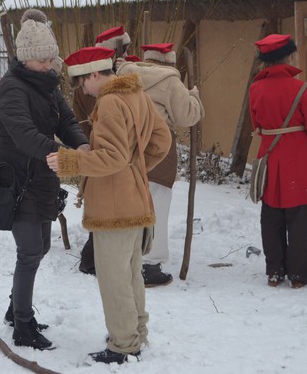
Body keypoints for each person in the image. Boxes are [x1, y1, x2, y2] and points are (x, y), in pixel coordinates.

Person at [47, 46, 171, 364]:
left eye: (81, 82)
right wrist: (135, 168)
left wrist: (69, 160)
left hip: (114, 206)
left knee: (115, 278)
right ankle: (135, 332)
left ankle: (123, 345)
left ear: (94, 74)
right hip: (134, 199)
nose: (81, 90)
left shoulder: (111, 102)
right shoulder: (137, 94)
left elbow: (113, 156)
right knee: (130, 274)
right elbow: (162, 141)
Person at [0, 8, 88, 351]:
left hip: (43, 176)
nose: (50, 64)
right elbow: (25, 136)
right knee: (30, 251)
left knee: (41, 247)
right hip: (18, 181)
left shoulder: (47, 84)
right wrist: (68, 157)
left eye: (52, 58)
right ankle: (22, 325)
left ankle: (13, 307)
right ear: (26, 58)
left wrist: (83, 145)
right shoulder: (11, 88)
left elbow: (66, 120)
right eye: (43, 60)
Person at [116, 42, 204, 287]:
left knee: (130, 202)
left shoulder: (125, 74)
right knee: (157, 204)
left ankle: (127, 259)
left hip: (128, 145)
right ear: (169, 61)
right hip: (159, 145)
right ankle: (149, 265)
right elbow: (186, 116)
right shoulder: (170, 81)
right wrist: (193, 97)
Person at [249, 34, 307, 288]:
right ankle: (299, 275)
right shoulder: (302, 88)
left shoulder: (255, 88)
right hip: (298, 158)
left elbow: (257, 125)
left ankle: (274, 271)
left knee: (270, 216)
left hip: (270, 155)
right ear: (290, 56)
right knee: (297, 218)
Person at [73, 25, 131, 275]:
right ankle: (93, 260)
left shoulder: (120, 81)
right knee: (103, 207)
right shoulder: (108, 86)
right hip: (99, 149)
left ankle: (100, 258)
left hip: (103, 149)